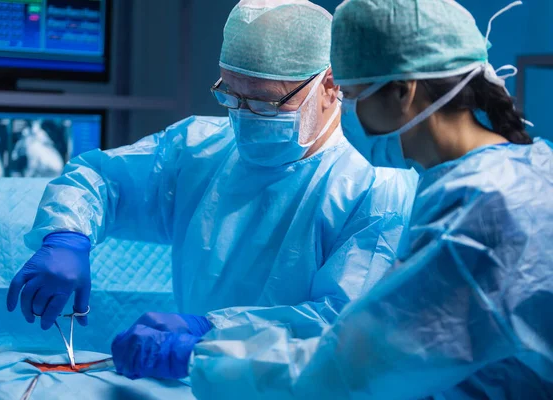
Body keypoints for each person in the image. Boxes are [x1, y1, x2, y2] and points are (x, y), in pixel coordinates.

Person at [6, 0, 417, 381]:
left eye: (264, 103)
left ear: (330, 85)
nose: (243, 116)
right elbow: (101, 180)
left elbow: (342, 327)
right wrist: (67, 236)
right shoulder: (202, 148)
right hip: (198, 382)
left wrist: (209, 332)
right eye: (231, 94)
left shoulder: (374, 186)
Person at [189, 1, 553, 399]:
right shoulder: (519, 172)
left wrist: (201, 359)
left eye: (350, 94)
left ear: (402, 91)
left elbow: (354, 370)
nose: (342, 109)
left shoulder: (483, 211)